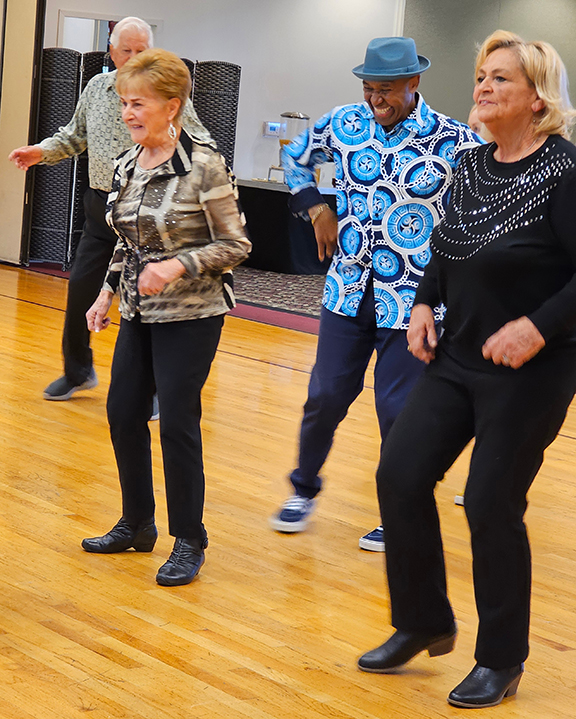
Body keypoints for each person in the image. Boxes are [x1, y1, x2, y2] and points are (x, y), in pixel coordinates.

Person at [358, 30, 576, 708]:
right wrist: (424, 303)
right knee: (399, 473)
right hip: (458, 356)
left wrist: (538, 325)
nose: (482, 88)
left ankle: (501, 658)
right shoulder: (474, 165)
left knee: (490, 503)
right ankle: (423, 619)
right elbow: (449, 247)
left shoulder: (567, 174)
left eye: (501, 80)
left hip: (532, 370)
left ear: (538, 99)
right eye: (482, 77)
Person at [270, 37, 479, 551]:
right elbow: (296, 160)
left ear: (415, 83)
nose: (374, 100)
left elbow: (478, 212)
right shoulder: (343, 122)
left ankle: (401, 509)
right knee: (324, 396)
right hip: (346, 290)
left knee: (400, 411)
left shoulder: (454, 141)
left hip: (412, 301)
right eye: (368, 88)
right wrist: (317, 208)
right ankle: (303, 489)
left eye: (385, 90)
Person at [81, 48, 251, 586]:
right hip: (137, 310)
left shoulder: (205, 165)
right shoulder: (128, 163)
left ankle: (189, 539)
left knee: (177, 423)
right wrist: (106, 293)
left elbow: (237, 243)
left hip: (193, 314)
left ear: (172, 106)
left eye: (138, 104)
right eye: (125, 104)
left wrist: (179, 264)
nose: (128, 114)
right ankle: (137, 524)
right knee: (122, 413)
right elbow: (128, 241)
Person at [9, 17, 214, 403]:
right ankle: (77, 370)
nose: (134, 57)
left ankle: (153, 389)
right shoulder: (97, 88)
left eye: (142, 51)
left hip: (151, 213)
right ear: (111, 52)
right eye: (126, 50)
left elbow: (201, 141)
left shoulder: (169, 98)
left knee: (149, 303)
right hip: (101, 207)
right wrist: (41, 151)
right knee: (81, 289)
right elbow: (74, 136)